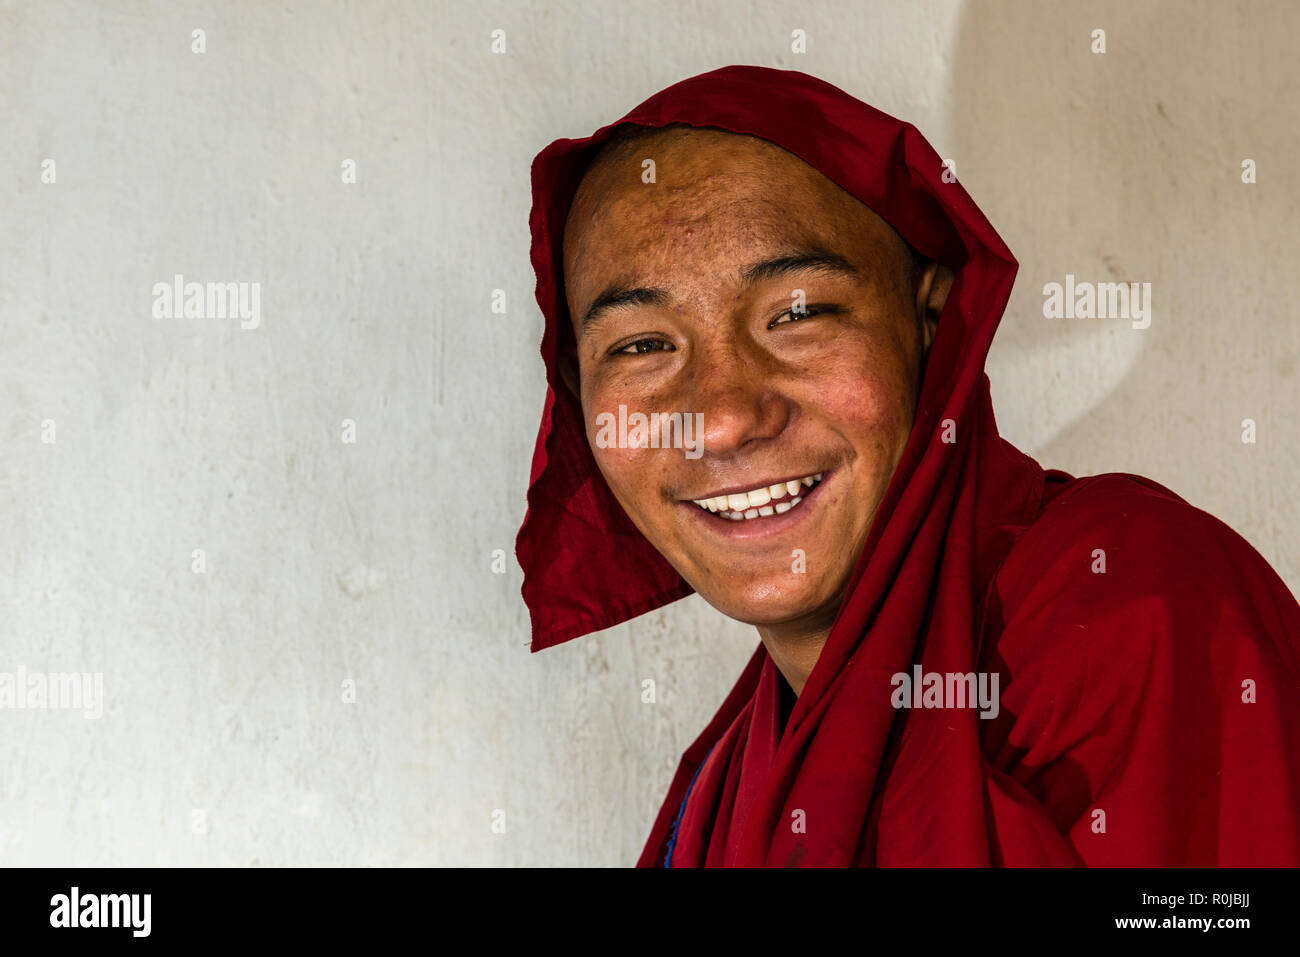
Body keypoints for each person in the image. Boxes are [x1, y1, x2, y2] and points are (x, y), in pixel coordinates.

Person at [514, 65, 1300, 866]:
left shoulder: (1132, 609)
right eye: (643, 345)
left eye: (798, 314)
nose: (721, 419)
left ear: (932, 316)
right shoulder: (719, 789)